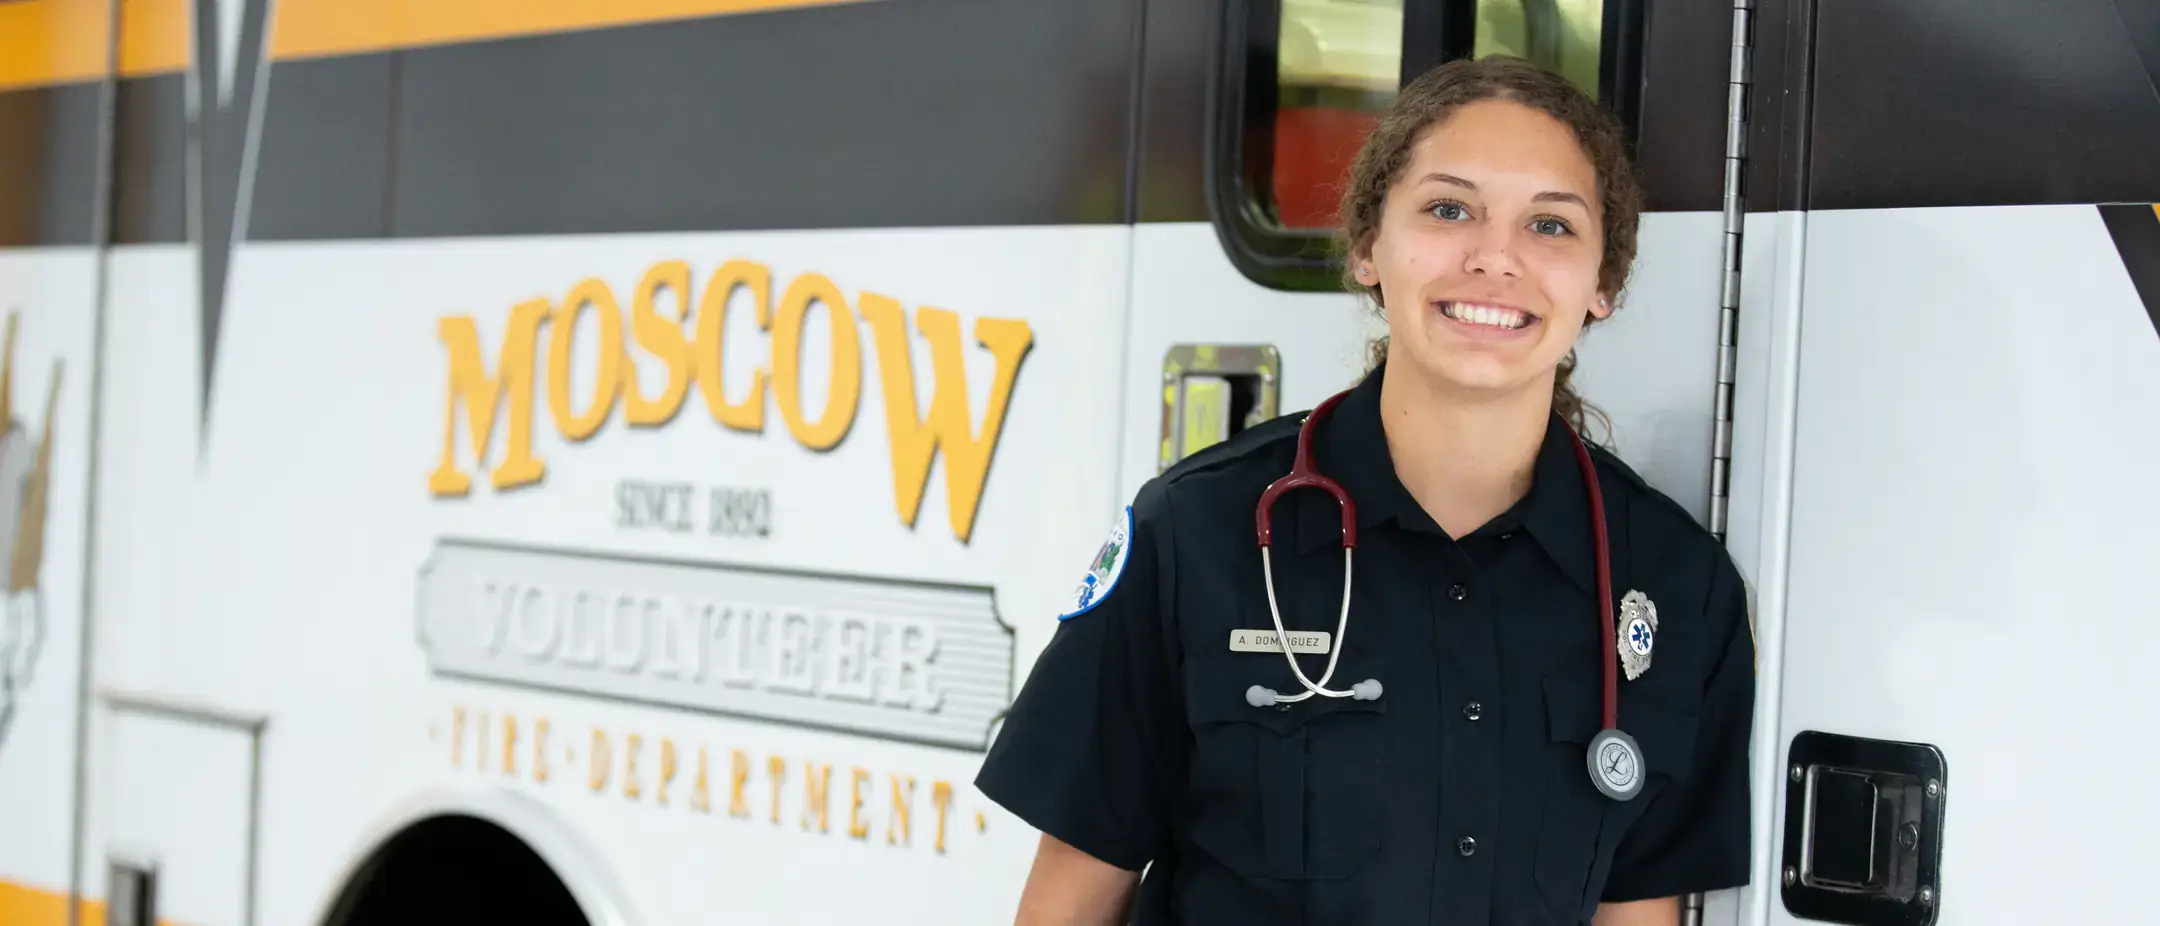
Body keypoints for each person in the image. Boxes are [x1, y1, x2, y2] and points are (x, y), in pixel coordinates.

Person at [975, 55, 1756, 925]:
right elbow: (1069, 902)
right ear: (1366, 248)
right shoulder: (1194, 534)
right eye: (1448, 209)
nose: (1495, 258)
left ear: (1603, 283)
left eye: (1551, 225)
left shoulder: (1678, 590)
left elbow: (1638, 912)